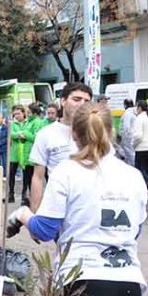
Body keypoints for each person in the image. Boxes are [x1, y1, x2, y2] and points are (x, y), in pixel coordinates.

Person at [6, 102, 147, 296]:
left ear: (73, 134)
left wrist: (23, 214)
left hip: (81, 282)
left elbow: (44, 230)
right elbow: (136, 230)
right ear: (111, 131)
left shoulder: (66, 172)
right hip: (128, 284)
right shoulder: (134, 176)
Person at [30, 82, 93, 211]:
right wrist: (35, 212)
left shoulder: (97, 133)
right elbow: (38, 177)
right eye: (76, 99)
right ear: (63, 101)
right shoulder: (45, 134)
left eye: (86, 101)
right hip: (57, 206)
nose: (81, 104)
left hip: (89, 208)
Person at [8, 105, 29, 204]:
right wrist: (19, 134)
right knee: (11, 174)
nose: (16, 116)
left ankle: (24, 195)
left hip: (25, 152)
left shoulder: (28, 122)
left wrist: (21, 134)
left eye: (18, 113)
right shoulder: (12, 124)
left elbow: (28, 133)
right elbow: (11, 134)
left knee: (26, 175)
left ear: (23, 113)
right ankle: (10, 194)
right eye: (15, 114)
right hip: (14, 153)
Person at [120, 99, 137, 165]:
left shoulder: (127, 113)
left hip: (128, 137)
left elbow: (126, 127)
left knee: (130, 154)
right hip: (133, 135)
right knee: (131, 153)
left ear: (125, 105)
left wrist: (126, 137)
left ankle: (133, 167)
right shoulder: (133, 112)